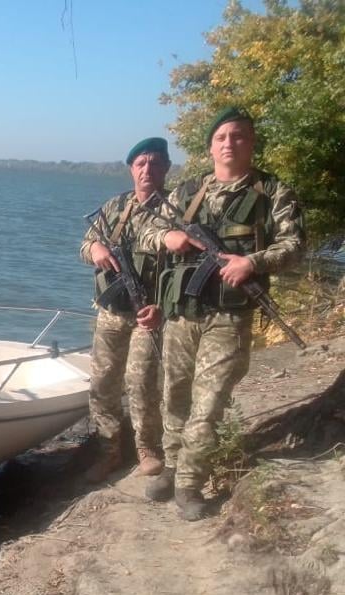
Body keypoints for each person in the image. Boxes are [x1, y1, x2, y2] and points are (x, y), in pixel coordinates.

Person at [138, 107, 305, 519]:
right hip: (182, 312)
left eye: (239, 136)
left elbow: (296, 245)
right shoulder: (187, 192)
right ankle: (173, 466)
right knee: (174, 394)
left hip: (228, 317)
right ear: (211, 146)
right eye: (222, 137)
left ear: (251, 143)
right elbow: (145, 231)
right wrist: (169, 235)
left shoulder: (273, 193)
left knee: (209, 401)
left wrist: (254, 263)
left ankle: (190, 483)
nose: (230, 143)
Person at [79, 137, 169, 482]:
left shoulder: (177, 210)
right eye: (141, 163)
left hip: (152, 312)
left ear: (166, 168)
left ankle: (147, 448)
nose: (147, 169)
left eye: (155, 163)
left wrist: (163, 305)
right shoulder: (115, 207)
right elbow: (86, 245)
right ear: (132, 169)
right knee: (103, 382)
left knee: (142, 380)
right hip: (112, 311)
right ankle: (108, 452)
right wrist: (96, 249)